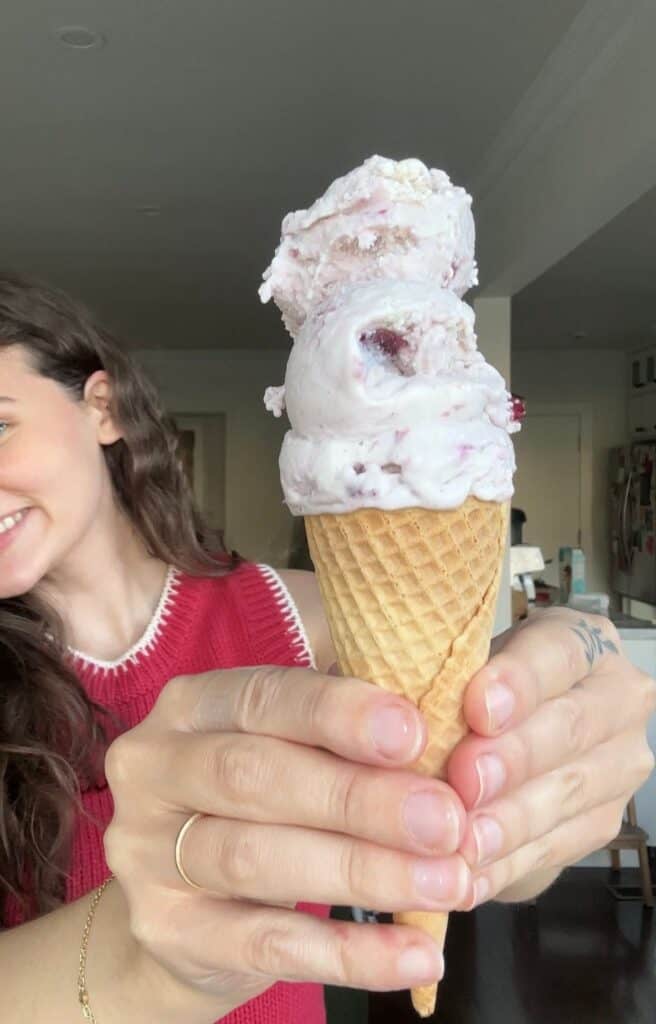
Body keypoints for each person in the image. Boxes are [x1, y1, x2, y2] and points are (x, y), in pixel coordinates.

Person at [0, 272, 653, 1024]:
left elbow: (476, 829)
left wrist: (545, 777)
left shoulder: (299, 619)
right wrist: (129, 962)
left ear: (102, 407)